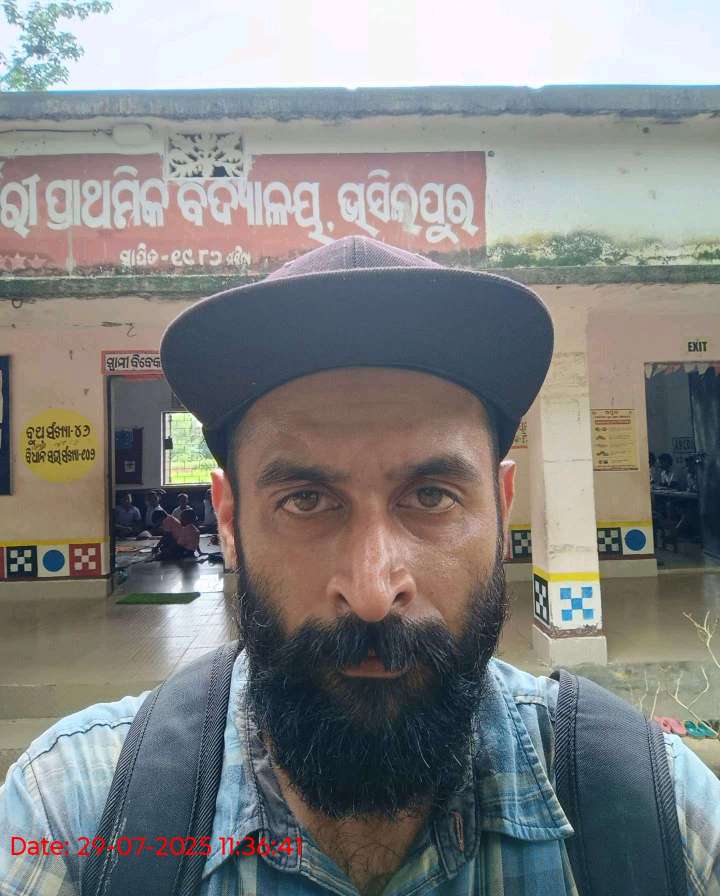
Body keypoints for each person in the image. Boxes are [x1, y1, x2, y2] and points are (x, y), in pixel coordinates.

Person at [1, 237, 718, 895]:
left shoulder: (665, 816)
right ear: (230, 520)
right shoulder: (73, 814)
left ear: (502, 510)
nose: (374, 591)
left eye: (431, 496)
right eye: (306, 500)